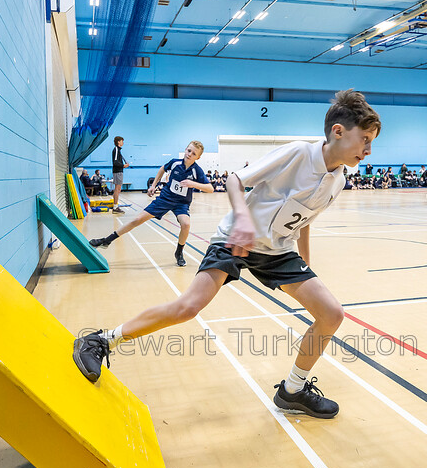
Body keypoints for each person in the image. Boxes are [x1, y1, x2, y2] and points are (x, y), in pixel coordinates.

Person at [73, 90, 382, 419]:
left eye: (371, 141)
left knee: (331, 313)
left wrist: (307, 264)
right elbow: (235, 180)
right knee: (188, 307)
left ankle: (293, 390)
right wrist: (243, 220)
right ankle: (100, 340)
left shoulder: (339, 179)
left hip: (278, 251)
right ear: (338, 131)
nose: (368, 149)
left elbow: (305, 222)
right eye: (364, 138)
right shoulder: (298, 153)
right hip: (236, 239)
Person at [89, 141, 212, 266]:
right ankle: (107, 240)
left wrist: (193, 184)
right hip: (165, 199)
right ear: (185, 149)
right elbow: (162, 169)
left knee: (186, 224)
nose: (190, 154)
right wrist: (153, 185)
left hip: (181, 203)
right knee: (137, 220)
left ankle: (179, 252)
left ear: (198, 157)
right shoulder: (175, 163)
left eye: (194, 153)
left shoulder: (197, 171)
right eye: (189, 150)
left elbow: (210, 188)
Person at [111, 136, 129, 214]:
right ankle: (115, 207)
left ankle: (115, 205)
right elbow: (115, 162)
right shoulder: (116, 149)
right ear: (118, 142)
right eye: (122, 141)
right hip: (118, 172)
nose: (123, 143)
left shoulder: (118, 150)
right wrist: (123, 166)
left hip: (119, 171)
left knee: (118, 189)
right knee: (117, 190)